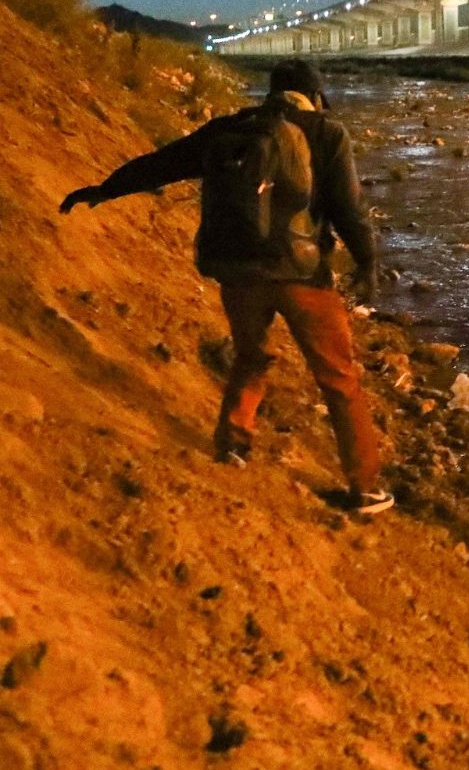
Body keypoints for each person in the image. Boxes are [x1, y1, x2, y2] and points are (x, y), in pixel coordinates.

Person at [58, 60, 390, 514]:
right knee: (339, 378)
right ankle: (366, 487)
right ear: (313, 95)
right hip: (301, 275)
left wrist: (106, 188)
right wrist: (368, 263)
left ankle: (233, 448)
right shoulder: (327, 131)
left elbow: (165, 163)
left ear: (271, 93)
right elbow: (349, 208)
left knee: (251, 356)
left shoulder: (231, 129)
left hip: (237, 271)